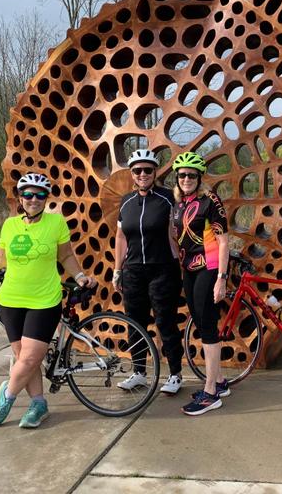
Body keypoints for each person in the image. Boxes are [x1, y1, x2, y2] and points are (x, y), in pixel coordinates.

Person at [0, 172, 95, 428]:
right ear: (20, 197)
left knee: (28, 359)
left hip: (44, 301)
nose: (33, 199)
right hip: (11, 300)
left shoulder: (56, 223)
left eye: (40, 195)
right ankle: (38, 404)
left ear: (46, 198)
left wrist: (80, 276)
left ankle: (7, 395)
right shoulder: (10, 225)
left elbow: (66, 256)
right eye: (27, 194)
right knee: (23, 357)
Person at [113, 148, 184, 395]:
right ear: (132, 174)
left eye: (147, 170)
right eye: (137, 171)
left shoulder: (168, 198)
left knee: (165, 321)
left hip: (162, 268)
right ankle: (139, 373)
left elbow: (178, 231)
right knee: (135, 322)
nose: (142, 174)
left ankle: (175, 373)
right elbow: (121, 237)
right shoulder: (126, 201)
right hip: (133, 270)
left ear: (155, 172)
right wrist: (117, 270)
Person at [171, 151, 231, 416]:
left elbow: (224, 241)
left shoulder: (210, 201)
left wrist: (221, 279)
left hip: (209, 267)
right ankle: (219, 381)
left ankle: (210, 393)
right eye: (182, 175)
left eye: (192, 175)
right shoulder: (179, 203)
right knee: (199, 319)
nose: (186, 179)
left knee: (207, 326)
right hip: (189, 269)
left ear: (199, 178)